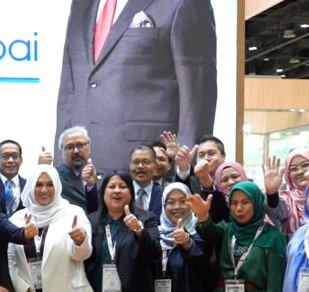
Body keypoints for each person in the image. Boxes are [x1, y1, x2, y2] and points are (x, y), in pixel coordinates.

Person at [54, 0, 217, 170]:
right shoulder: (81, 4)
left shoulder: (185, 3)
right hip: (80, 169)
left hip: (147, 166)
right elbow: (69, 92)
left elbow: (197, 99)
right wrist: (60, 167)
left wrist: (186, 173)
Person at [9, 165, 97, 292]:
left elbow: (82, 255)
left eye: (50, 184)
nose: (44, 190)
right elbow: (9, 262)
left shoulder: (73, 213)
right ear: (30, 187)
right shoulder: (16, 219)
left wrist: (80, 241)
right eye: (38, 184)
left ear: (57, 186)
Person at [189, 181, 287, 292]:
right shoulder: (227, 229)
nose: (239, 208)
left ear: (257, 204)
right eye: (234, 203)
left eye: (245, 202)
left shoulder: (273, 237)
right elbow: (209, 233)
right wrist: (203, 216)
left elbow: (275, 284)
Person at [87, 171, 158, 292]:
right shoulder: (91, 221)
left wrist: (139, 231)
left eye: (122, 186)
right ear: (103, 193)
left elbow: (154, 252)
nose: (117, 191)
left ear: (131, 193)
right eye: (111, 187)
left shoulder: (146, 218)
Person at [151, 182, 215, 292]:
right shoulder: (156, 234)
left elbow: (203, 262)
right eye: (171, 202)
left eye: (183, 201)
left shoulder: (200, 231)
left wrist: (187, 242)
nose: (177, 207)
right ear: (163, 205)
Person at [49, 126, 101, 213]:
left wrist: (91, 186)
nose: (76, 151)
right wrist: (40, 169)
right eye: (70, 147)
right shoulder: (53, 176)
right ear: (61, 152)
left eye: (80, 145)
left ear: (89, 147)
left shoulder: (104, 178)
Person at [0, 139, 26, 215]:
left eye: (15, 156)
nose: (11, 160)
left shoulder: (28, 185)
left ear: (21, 160)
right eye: (5, 156)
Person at [129, 145, 163, 216]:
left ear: (156, 166)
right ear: (129, 165)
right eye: (136, 162)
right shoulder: (123, 193)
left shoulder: (163, 194)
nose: (140, 166)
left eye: (146, 162)